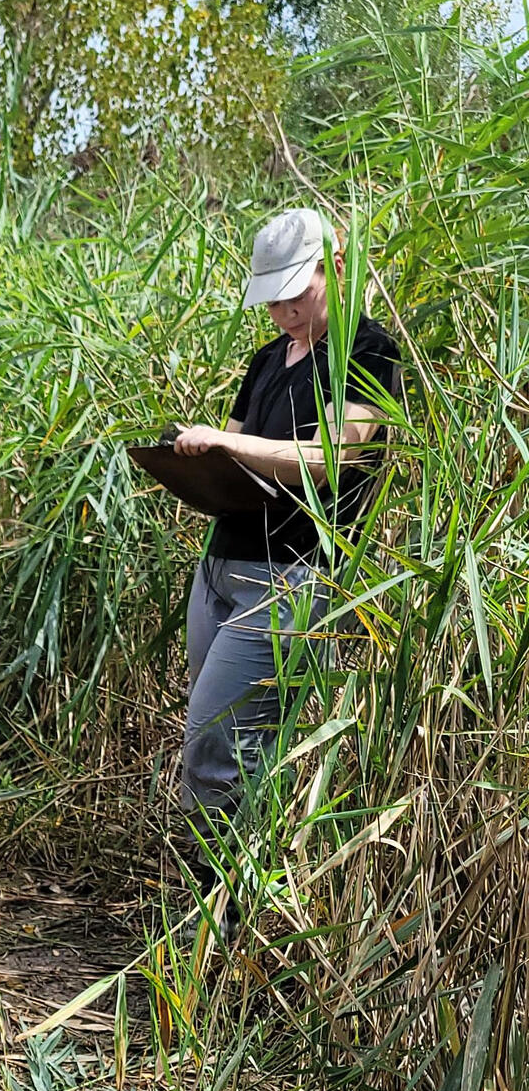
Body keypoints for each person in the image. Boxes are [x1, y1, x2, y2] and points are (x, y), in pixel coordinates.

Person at [172, 208, 400, 926]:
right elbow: (232, 450)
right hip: (223, 568)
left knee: (216, 746)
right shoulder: (269, 360)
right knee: (224, 748)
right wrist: (193, 456)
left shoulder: (367, 350)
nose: (283, 310)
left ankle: (224, 921)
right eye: (271, 298)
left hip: (293, 576)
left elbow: (339, 454)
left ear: (335, 264)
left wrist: (228, 447)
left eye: (293, 293)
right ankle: (228, 916)